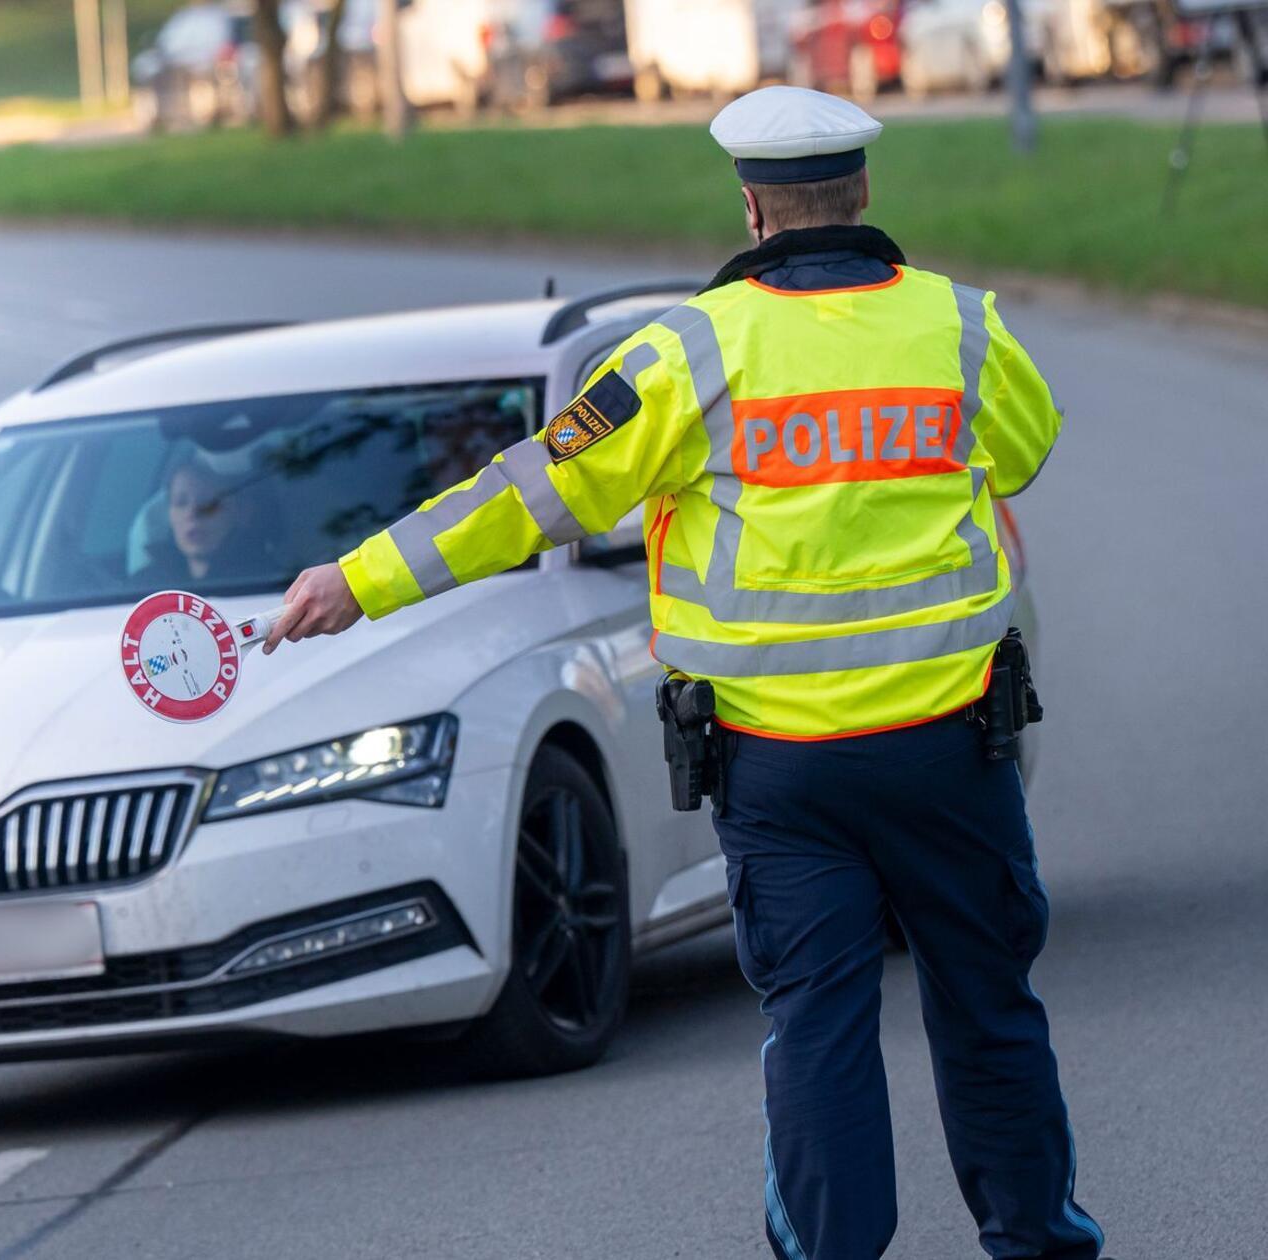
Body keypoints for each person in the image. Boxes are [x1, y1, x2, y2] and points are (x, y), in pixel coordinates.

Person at [262, 87, 1104, 1260]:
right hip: (950, 750)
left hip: (781, 775)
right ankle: (1037, 1245)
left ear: (752, 207)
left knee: (817, 1028)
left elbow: (522, 494)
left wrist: (358, 578)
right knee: (990, 1012)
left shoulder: (683, 355)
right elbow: (1025, 449)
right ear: (860, 193)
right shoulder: (959, 326)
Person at [134, 456, 279, 585]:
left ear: (242, 512)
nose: (192, 513)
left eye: (208, 502)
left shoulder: (274, 584)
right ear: (169, 515)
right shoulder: (144, 586)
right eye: (180, 502)